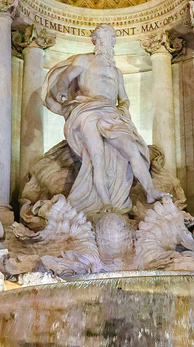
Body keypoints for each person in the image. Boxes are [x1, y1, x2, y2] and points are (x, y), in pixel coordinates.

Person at [44, 24, 167, 218]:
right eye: (102, 40)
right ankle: (105, 202)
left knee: (133, 150)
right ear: (96, 42)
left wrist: (124, 107)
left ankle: (150, 191)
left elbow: (124, 98)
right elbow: (66, 78)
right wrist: (60, 91)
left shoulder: (116, 72)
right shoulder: (84, 60)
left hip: (111, 113)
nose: (107, 44)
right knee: (97, 157)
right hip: (87, 111)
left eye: (110, 40)